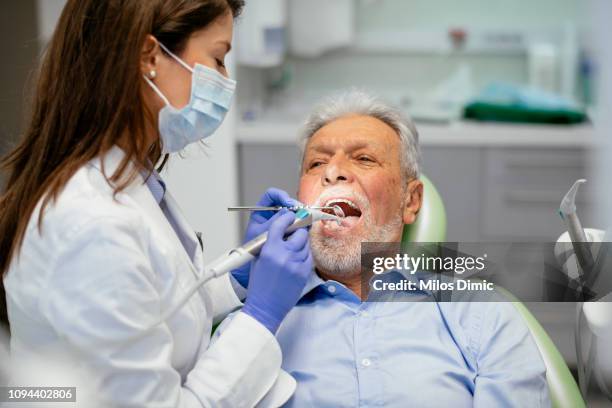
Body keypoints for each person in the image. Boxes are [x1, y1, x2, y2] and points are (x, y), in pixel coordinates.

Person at [0, 1, 312, 406]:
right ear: (150, 57)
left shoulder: (131, 181)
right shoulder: (90, 224)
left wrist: (239, 279)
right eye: (217, 59)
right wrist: (261, 317)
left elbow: (159, 308)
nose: (224, 79)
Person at [276, 90, 550, 406]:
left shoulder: (482, 315)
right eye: (316, 163)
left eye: (364, 158)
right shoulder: (258, 322)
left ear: (411, 201)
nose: (332, 171)